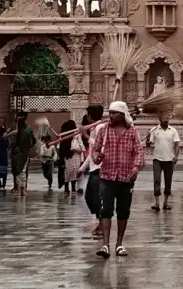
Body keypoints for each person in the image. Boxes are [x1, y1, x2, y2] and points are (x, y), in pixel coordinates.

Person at [92, 101, 143, 259]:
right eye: (110, 113)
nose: (111, 116)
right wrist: (97, 156)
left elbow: (138, 151)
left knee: (123, 211)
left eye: (114, 113)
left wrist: (135, 168)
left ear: (122, 115)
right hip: (107, 175)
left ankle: (119, 243)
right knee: (106, 209)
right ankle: (105, 245)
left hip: (126, 177)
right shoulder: (104, 131)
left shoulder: (133, 132)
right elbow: (95, 151)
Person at [78, 105, 105, 238]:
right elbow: (91, 153)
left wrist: (85, 135)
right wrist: (82, 169)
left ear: (90, 116)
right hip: (94, 167)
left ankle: (102, 225)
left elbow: (100, 146)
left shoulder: (100, 128)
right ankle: (101, 222)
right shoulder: (94, 127)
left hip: (100, 167)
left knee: (94, 197)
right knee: (90, 196)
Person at [147, 117, 180, 211]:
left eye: (167, 118)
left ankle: (166, 202)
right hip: (157, 158)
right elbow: (149, 143)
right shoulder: (154, 130)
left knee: (168, 181)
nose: (166, 120)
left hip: (169, 159)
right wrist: (148, 139)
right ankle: (157, 203)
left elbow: (177, 144)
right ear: (160, 119)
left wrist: (176, 156)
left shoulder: (173, 131)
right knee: (156, 180)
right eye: (164, 118)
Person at [9, 113, 36, 196]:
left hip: (18, 155)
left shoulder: (17, 132)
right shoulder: (28, 131)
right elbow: (33, 142)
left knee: (17, 172)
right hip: (25, 154)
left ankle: (18, 188)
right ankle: (23, 189)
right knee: (23, 172)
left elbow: (6, 137)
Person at [59, 120, 83, 194]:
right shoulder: (76, 134)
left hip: (67, 156)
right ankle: (73, 187)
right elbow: (81, 145)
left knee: (67, 171)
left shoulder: (64, 134)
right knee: (74, 172)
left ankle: (66, 187)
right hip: (75, 155)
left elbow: (61, 146)